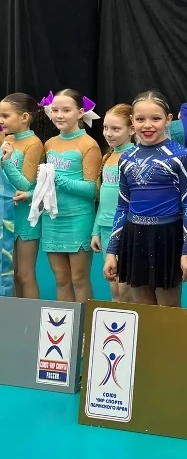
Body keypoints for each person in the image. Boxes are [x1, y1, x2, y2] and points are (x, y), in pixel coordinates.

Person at [103, 90, 187, 307]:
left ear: (168, 119)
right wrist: (111, 252)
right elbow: (122, 207)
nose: (148, 125)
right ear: (132, 121)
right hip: (134, 237)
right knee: (143, 310)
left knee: (168, 310)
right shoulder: (126, 158)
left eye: (155, 119)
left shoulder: (181, 156)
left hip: (167, 237)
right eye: (140, 119)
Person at [41, 89, 102, 302]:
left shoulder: (88, 144)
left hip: (78, 218)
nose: (59, 115)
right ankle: (63, 322)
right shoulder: (49, 143)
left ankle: (83, 322)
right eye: (55, 110)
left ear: (80, 113)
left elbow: (92, 190)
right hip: (52, 219)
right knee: (61, 279)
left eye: (66, 110)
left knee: (79, 278)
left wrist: (58, 178)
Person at [0, 93, 46, 298]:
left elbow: (24, 184)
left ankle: (32, 316)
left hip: (25, 215)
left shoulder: (33, 143)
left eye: (5, 116)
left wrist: (7, 161)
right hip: (6, 212)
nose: (1, 121)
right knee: (10, 273)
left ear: (25, 117)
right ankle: (16, 315)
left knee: (24, 274)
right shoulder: (7, 139)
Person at [91, 104, 135, 302]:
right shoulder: (107, 156)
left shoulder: (133, 156)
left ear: (131, 129)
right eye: (105, 128)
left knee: (126, 288)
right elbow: (102, 199)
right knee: (114, 288)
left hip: (126, 229)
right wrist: (96, 230)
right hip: (106, 228)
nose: (108, 133)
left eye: (116, 129)